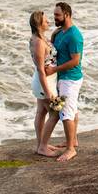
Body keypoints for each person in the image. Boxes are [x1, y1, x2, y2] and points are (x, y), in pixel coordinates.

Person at [36, 2, 83, 162]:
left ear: (67, 15)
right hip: (61, 78)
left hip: (70, 79)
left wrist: (54, 71)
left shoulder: (74, 36)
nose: (54, 17)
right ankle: (73, 140)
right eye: (54, 14)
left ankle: (71, 149)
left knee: (66, 113)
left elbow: (76, 61)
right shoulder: (61, 32)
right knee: (72, 110)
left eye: (57, 15)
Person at [28, 11, 61, 156]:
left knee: (41, 112)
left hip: (44, 82)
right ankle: (43, 147)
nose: (48, 22)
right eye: (46, 21)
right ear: (38, 24)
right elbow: (41, 70)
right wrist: (48, 92)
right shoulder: (39, 43)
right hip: (44, 83)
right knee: (56, 113)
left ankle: (40, 144)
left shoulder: (40, 38)